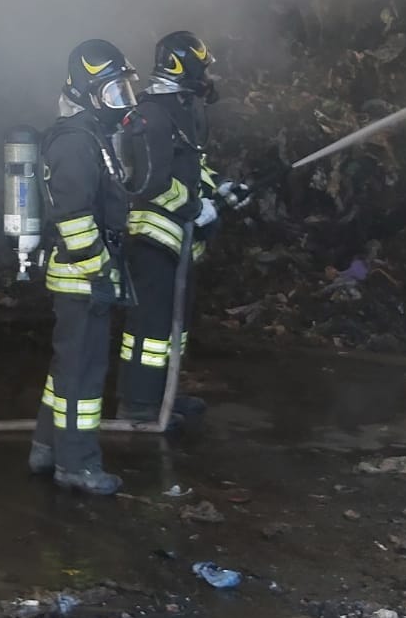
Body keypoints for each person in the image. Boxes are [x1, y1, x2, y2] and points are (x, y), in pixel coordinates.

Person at [118, 30, 247, 428]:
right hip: (152, 239)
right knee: (150, 329)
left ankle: (165, 394)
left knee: (174, 327)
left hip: (180, 239)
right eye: (202, 67)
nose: (207, 75)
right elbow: (148, 183)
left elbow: (193, 167)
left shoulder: (184, 107)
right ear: (183, 66)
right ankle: (140, 406)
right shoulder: (150, 115)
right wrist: (195, 207)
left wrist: (218, 191)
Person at [29, 39, 139, 496]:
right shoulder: (76, 143)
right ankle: (77, 464)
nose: (122, 105)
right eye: (113, 94)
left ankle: (46, 446)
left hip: (84, 275)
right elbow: (73, 220)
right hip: (83, 278)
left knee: (67, 367)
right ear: (87, 93)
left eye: (124, 93)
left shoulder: (89, 136)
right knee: (82, 375)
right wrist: (99, 273)